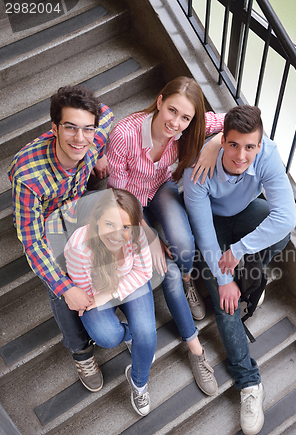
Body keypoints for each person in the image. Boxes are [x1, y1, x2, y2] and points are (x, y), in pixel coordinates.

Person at [105, 76, 225, 397]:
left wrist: (216, 141)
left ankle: (188, 283)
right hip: (128, 206)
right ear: (159, 102)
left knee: (185, 245)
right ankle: (197, 350)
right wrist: (147, 234)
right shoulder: (125, 135)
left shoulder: (189, 128)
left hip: (160, 189)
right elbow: (118, 195)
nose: (176, 123)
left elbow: (245, 118)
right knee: (165, 271)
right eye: (172, 111)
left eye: (185, 117)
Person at [183, 104, 296, 435]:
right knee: (225, 301)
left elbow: (285, 218)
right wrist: (224, 279)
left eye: (250, 147)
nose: (241, 155)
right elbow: (204, 237)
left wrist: (239, 252)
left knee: (281, 232)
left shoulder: (267, 153)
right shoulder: (198, 171)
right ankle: (250, 382)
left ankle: (253, 281)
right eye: (233, 145)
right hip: (212, 224)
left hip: (246, 214)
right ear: (223, 139)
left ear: (260, 145)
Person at [8, 85, 114, 393]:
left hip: (75, 206)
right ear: (54, 128)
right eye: (70, 128)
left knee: (115, 208)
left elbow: (105, 113)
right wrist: (66, 287)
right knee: (59, 282)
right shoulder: (29, 177)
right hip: (44, 223)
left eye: (87, 130)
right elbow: (31, 241)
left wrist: (99, 156)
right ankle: (81, 351)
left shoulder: (93, 140)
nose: (80, 139)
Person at [64, 189, 156, 416]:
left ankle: (139, 382)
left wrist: (112, 292)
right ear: (96, 222)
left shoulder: (135, 235)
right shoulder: (78, 248)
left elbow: (144, 271)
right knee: (107, 336)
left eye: (126, 227)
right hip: (95, 291)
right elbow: (86, 295)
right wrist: (104, 295)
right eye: (110, 224)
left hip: (127, 282)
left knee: (147, 333)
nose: (118, 234)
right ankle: (129, 336)